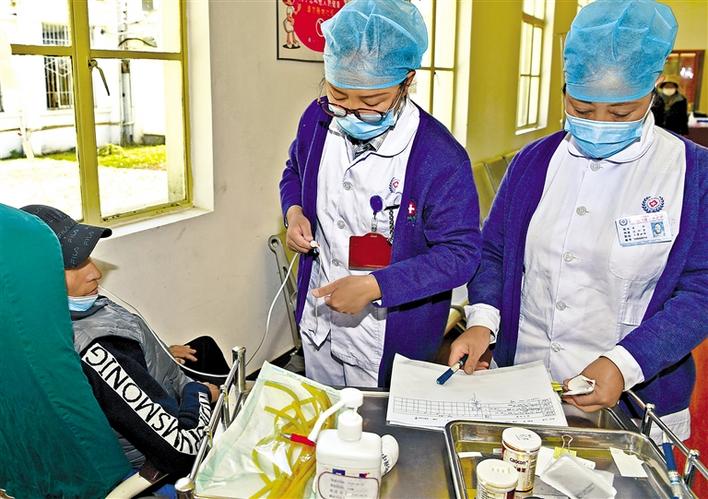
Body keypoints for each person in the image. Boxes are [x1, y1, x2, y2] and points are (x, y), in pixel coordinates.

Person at [450, 0, 707, 440]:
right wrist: (483, 321)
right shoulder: (534, 162)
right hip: (525, 376)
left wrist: (626, 363)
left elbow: (700, 291)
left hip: (634, 397)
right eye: (583, 109)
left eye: (622, 113)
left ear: (651, 91)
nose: (601, 123)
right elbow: (493, 251)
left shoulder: (692, 173)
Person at [280, 0, 481, 388]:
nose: (351, 113)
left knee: (379, 424)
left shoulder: (439, 156)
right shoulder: (317, 120)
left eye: (371, 103)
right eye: (339, 96)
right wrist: (293, 211)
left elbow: (461, 254)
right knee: (326, 414)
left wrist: (376, 286)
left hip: (391, 338)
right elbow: (294, 171)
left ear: (407, 81)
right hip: (320, 324)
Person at [21, 204, 218, 476]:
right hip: (176, 444)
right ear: (37, 278)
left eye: (87, 258)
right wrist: (200, 393)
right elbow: (182, 451)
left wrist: (155, 351)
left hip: (151, 394)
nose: (95, 273)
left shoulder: (46, 316)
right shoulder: (97, 350)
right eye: (74, 265)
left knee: (204, 347)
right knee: (228, 392)